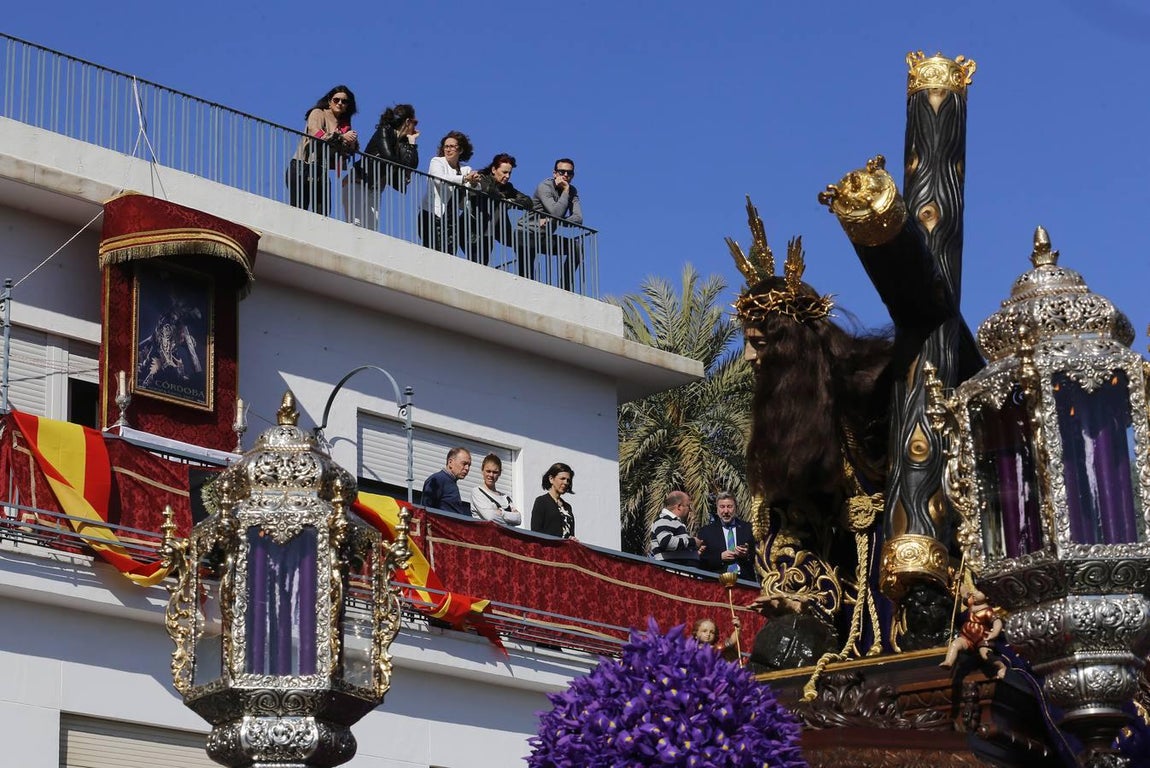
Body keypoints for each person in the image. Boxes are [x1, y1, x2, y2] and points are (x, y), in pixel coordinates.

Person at [286, 85, 359, 216]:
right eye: (336, 100)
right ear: (329, 101)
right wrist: (341, 137)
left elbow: (346, 152)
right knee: (298, 211)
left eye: (344, 101)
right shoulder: (318, 113)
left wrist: (352, 143)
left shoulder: (344, 125)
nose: (340, 103)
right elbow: (316, 133)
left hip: (321, 170)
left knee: (323, 215)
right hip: (302, 166)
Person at [348, 103, 420, 229]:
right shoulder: (385, 130)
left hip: (376, 187)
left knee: (371, 229)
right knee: (355, 224)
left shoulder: (403, 142)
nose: (416, 127)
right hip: (359, 181)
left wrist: (412, 143)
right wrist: (402, 168)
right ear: (408, 121)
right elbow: (388, 157)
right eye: (415, 122)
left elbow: (411, 166)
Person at [518, 158, 583, 286]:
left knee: (575, 247)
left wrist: (551, 220)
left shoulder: (572, 191)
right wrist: (565, 192)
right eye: (562, 172)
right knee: (526, 277)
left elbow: (578, 218)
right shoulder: (545, 186)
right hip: (526, 233)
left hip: (544, 236)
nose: (565, 175)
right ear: (555, 173)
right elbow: (555, 212)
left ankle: (565, 286)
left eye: (569, 173)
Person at [464, 153, 533, 267]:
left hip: (490, 231)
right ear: (493, 170)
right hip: (472, 229)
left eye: (510, 173)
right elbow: (488, 190)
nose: (507, 176)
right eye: (504, 172)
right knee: (477, 263)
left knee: (483, 264)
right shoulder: (482, 178)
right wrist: (503, 198)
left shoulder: (508, 187)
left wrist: (511, 201)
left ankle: (526, 272)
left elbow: (528, 201)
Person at [420, 131, 479, 255]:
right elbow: (439, 179)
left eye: (452, 146)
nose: (448, 149)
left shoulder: (465, 169)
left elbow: (475, 190)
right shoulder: (437, 161)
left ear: (460, 150)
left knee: (450, 253)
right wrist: (464, 179)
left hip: (451, 220)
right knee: (433, 251)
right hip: (432, 214)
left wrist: (474, 182)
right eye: (446, 146)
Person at [939, 589, 1007, 679]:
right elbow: (964, 597)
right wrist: (962, 592)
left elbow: (997, 622)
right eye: (974, 591)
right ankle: (948, 662)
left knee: (986, 655)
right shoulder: (971, 606)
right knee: (955, 644)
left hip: (982, 638)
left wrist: (994, 633)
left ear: (987, 596)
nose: (974, 593)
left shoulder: (987, 611)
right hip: (966, 637)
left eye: (978, 592)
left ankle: (1001, 667)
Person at [698, 492, 756, 582]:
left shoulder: (748, 529)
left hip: (744, 581)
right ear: (717, 509)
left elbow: (758, 554)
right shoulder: (706, 531)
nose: (726, 511)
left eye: (729, 506)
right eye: (722, 507)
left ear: (735, 508)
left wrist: (747, 554)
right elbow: (702, 559)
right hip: (717, 581)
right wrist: (720, 557)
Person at [648, 491, 701, 566]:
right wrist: (693, 542)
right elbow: (666, 542)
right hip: (673, 568)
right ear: (679, 506)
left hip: (680, 567)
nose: (689, 510)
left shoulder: (674, 522)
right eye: (688, 506)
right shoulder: (664, 520)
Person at [469, 453, 521, 526]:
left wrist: (501, 512)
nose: (491, 475)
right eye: (488, 471)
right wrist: (510, 518)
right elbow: (490, 517)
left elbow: (518, 519)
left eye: (495, 472)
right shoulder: (477, 492)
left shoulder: (506, 498)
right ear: (482, 470)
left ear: (500, 473)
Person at [421, 447, 472, 516]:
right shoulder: (437, 480)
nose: (467, 468)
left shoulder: (450, 482)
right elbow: (426, 510)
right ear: (450, 462)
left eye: (469, 465)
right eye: (464, 463)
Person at [530, 462, 575, 538]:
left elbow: (571, 534)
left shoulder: (568, 507)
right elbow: (535, 532)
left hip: (565, 546)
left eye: (568, 480)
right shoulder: (541, 501)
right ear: (551, 479)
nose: (566, 482)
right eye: (562, 478)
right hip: (548, 545)